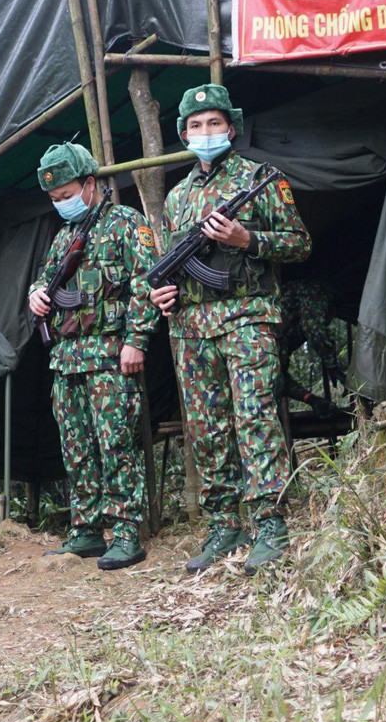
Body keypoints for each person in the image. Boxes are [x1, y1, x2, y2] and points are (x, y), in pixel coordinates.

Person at [149, 84, 311, 575]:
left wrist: (247, 238)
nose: (205, 132)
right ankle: (225, 525)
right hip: (192, 329)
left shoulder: (260, 179)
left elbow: (300, 244)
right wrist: (163, 294)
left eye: (214, 123)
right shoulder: (177, 198)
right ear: (183, 134)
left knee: (256, 417)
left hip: (247, 317)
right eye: (195, 126)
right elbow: (171, 267)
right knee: (207, 428)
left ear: (231, 128)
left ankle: (268, 523)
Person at [27, 142, 161, 570]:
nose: (61, 204)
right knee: (77, 448)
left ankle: (125, 533)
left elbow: (146, 283)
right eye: (54, 200)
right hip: (67, 359)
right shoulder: (65, 236)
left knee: (116, 444)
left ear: (90, 184)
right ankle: (85, 531)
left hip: (109, 356)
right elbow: (45, 281)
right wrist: (35, 296)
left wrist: (136, 339)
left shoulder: (125, 224)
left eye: (66, 195)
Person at [278, 278, 346, 419]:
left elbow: (279, 380)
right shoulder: (315, 292)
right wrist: (332, 365)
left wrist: (311, 399)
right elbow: (314, 330)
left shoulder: (280, 343)